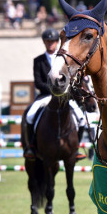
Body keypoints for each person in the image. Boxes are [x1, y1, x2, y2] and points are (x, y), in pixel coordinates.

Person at [24, 28, 86, 160]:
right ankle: (32, 146)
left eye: (53, 41)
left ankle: (76, 148)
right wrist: (54, 89)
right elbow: (38, 82)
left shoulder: (64, 59)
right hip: (46, 96)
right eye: (48, 41)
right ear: (44, 42)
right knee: (30, 115)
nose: (50, 44)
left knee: (81, 118)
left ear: (57, 42)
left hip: (64, 96)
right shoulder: (38, 60)